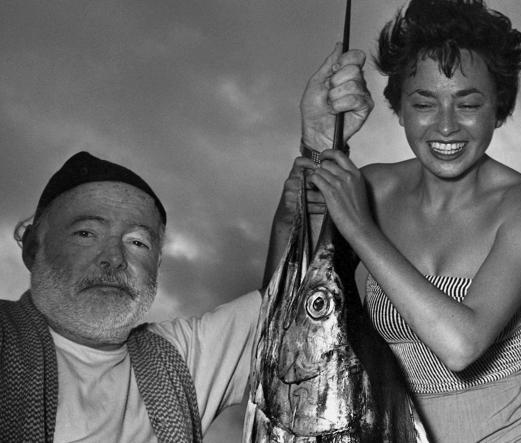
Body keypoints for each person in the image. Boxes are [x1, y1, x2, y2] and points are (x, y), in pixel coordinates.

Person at [0, 46, 370, 440]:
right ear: (32, 246)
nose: (113, 258)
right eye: (86, 233)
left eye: (138, 242)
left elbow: (291, 315)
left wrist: (318, 148)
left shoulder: (176, 357)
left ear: (157, 265)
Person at [270, 0, 521, 441]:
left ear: (499, 108)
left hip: (519, 424)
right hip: (393, 424)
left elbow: (462, 345)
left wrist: (359, 227)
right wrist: (312, 159)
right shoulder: (373, 187)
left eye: (468, 104)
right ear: (399, 108)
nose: (446, 126)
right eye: (424, 104)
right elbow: (286, 316)